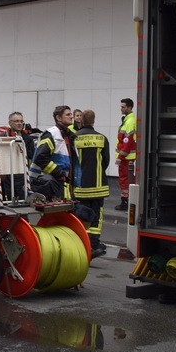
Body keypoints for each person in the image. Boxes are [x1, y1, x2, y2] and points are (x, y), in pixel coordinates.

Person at [74, 109, 110, 259]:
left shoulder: (74, 138)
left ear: (80, 120)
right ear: (94, 121)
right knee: (97, 217)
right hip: (98, 187)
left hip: (80, 187)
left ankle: (80, 243)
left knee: (81, 216)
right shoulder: (102, 138)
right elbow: (105, 161)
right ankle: (93, 244)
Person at [29, 105, 80, 201]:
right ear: (58, 118)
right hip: (51, 184)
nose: (71, 117)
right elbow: (40, 158)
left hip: (63, 184)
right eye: (68, 114)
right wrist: (59, 173)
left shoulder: (68, 135)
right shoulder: (52, 134)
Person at [115, 98, 137, 211]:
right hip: (127, 156)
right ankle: (127, 200)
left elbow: (127, 142)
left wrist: (120, 157)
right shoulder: (128, 120)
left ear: (129, 107)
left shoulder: (129, 121)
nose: (121, 109)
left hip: (126, 157)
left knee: (125, 179)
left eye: (123, 107)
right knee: (127, 179)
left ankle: (125, 202)